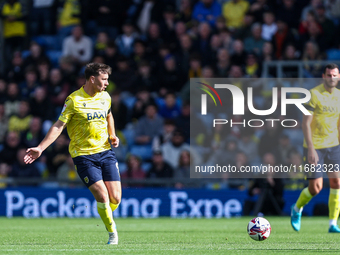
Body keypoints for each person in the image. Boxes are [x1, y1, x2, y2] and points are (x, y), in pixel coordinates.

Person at [24, 63, 121, 244]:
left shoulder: (105, 97)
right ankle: (112, 232)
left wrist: (112, 134)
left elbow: (109, 115)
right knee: (102, 195)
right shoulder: (73, 100)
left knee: (115, 198)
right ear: (92, 79)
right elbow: (58, 126)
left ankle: (104, 210)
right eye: (104, 79)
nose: (107, 83)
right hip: (83, 155)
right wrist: (40, 147)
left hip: (105, 151)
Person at [291, 63, 340, 233]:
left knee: (337, 183)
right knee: (315, 188)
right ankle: (297, 208)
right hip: (315, 147)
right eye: (329, 75)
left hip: (334, 146)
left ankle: (332, 223)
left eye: (334, 75)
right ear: (323, 76)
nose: (332, 78)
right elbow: (306, 123)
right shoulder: (314, 94)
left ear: (338, 76)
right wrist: (310, 147)